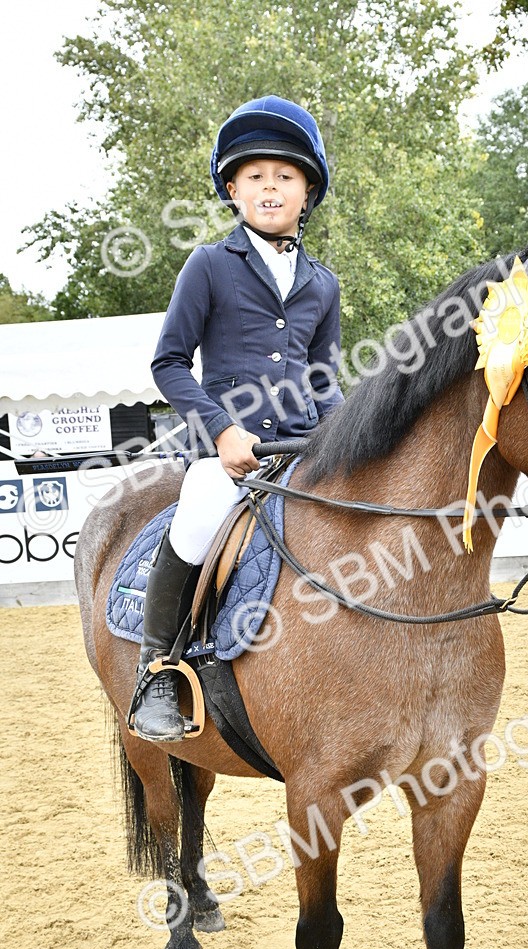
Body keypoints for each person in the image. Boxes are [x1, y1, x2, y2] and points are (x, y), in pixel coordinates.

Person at [130, 95, 344, 742]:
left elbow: (323, 379)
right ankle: (159, 671)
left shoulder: (323, 282)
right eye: (255, 176)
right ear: (232, 189)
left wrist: (346, 437)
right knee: (197, 514)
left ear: (307, 192)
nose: (270, 186)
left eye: (285, 176)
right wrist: (222, 431)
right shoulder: (209, 266)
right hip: (227, 451)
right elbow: (169, 363)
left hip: (304, 445)